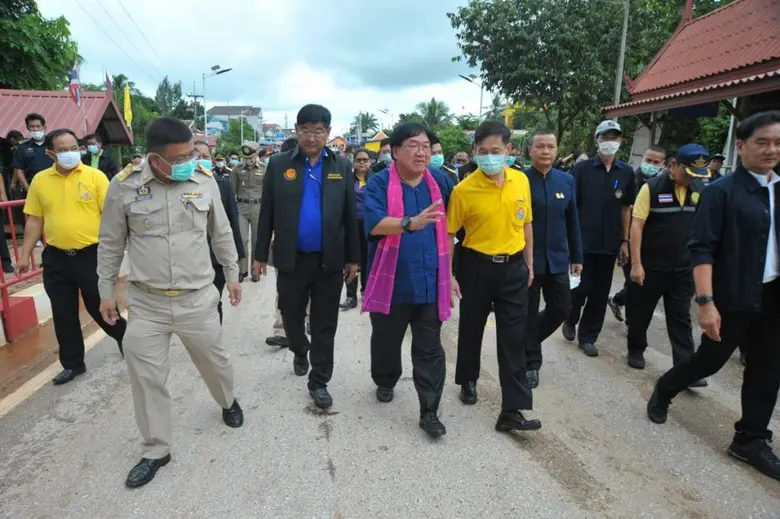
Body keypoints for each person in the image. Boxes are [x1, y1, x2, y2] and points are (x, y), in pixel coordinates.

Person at [97, 117, 243, 488]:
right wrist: (106, 292)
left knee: (215, 362)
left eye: (193, 153)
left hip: (197, 299)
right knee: (146, 379)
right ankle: (156, 448)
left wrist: (232, 275)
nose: (190, 161)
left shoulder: (204, 182)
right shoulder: (124, 187)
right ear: (155, 160)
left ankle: (227, 401)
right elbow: (111, 243)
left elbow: (222, 233)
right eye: (181, 157)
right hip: (147, 303)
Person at [647, 111, 780, 482]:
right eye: (763, 142)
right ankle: (666, 386)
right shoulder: (721, 192)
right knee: (709, 362)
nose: (771, 150)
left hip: (772, 299)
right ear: (741, 146)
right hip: (732, 296)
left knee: (768, 370)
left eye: (778, 143)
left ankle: (750, 439)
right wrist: (706, 303)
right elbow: (701, 248)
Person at [253, 104, 360, 410]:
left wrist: (353, 258)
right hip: (291, 259)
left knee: (326, 323)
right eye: (306, 130)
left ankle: (320, 381)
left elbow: (349, 216)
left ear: (328, 132)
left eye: (318, 130)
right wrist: (260, 255)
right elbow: (267, 213)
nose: (312, 136)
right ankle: (300, 350)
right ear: (297, 131)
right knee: (291, 314)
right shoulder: (278, 164)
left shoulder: (341, 165)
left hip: (329, 259)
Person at [447, 120, 540, 433]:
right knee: (472, 330)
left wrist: (529, 262)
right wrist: (449, 275)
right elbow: (449, 235)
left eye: (496, 151)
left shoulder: (520, 181)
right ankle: (468, 380)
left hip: (514, 268)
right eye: (483, 151)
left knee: (514, 339)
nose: (489, 157)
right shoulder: (463, 190)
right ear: (474, 151)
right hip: (476, 267)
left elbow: (526, 222)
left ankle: (512, 410)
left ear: (509, 150)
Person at [14, 128, 126, 385]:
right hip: (56, 258)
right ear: (51, 153)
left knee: (100, 307)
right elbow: (34, 220)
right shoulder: (41, 181)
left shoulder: (95, 177)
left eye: (74, 148)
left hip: (91, 255)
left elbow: (112, 218)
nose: (70, 153)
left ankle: (123, 336)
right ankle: (73, 364)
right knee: (63, 313)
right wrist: (24, 255)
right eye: (63, 150)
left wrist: (116, 250)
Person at [363, 122, 453, 437]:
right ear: (396, 151)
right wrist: (408, 223)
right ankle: (385, 379)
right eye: (413, 145)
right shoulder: (377, 184)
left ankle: (429, 411)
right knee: (386, 341)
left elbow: (450, 231)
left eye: (426, 146)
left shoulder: (441, 182)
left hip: (431, 281)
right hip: (393, 283)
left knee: (430, 349)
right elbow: (373, 224)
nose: (421, 152)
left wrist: (451, 274)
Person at [627, 144, 710, 390]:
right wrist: (636, 264)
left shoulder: (699, 190)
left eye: (697, 175)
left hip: (683, 268)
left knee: (681, 318)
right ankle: (636, 349)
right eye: (688, 173)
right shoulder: (651, 188)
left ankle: (685, 368)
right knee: (640, 312)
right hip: (652, 266)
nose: (691, 179)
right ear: (673, 165)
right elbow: (636, 226)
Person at [563, 120, 635, 357]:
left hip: (610, 244)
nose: (609, 142)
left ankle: (588, 337)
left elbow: (626, 208)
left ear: (620, 141)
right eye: (605, 137)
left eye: (614, 137)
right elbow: (572, 205)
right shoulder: (582, 170)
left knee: (599, 292)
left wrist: (624, 241)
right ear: (597, 140)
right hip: (583, 242)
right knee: (580, 288)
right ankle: (570, 316)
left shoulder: (626, 173)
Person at [524, 129, 583, 389]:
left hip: (558, 258)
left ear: (557, 150)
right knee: (527, 312)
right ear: (530, 150)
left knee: (561, 308)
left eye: (550, 146)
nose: (546, 151)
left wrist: (577, 255)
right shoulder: (519, 180)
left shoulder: (567, 181)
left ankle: (524, 342)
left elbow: (573, 222)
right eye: (540, 146)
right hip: (527, 260)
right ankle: (531, 363)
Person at [608, 145, 667, 322]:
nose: (651, 164)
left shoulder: (664, 184)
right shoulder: (630, 178)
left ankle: (618, 300)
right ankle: (632, 323)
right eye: (649, 160)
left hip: (652, 242)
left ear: (663, 164)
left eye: (656, 162)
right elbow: (621, 208)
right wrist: (623, 241)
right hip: (630, 239)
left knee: (643, 282)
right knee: (635, 282)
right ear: (643, 158)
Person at [194, 141, 245, 325]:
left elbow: (232, 221)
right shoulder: (173, 187)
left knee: (213, 301)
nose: (199, 161)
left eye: (204, 157)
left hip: (215, 256)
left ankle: (212, 339)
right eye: (194, 156)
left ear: (212, 160)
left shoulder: (222, 184)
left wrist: (238, 255)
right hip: (189, 260)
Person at [266, 137, 300, 348]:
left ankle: (305, 322)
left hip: (312, 246)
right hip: (284, 244)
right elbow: (269, 211)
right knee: (284, 288)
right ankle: (282, 329)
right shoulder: (276, 176)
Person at [340, 148, 371, 311]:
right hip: (351, 225)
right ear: (353, 162)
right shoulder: (347, 180)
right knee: (351, 259)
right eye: (358, 160)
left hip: (369, 226)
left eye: (365, 160)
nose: (362, 163)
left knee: (367, 260)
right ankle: (350, 296)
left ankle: (366, 292)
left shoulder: (375, 180)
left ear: (370, 162)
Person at [231, 142, 266, 282]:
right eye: (246, 158)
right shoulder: (237, 170)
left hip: (258, 207)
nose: (248, 160)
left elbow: (269, 191)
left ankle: (255, 271)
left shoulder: (265, 169)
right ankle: (242, 270)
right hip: (242, 207)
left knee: (257, 240)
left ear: (256, 154)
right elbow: (233, 190)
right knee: (242, 239)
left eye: (251, 157)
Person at [11, 113, 53, 192]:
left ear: (44, 127)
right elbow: (19, 170)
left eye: (38, 126)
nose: (35, 129)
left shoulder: (53, 144)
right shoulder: (22, 148)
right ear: (27, 128)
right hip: (33, 187)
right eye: (32, 126)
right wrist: (28, 189)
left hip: (55, 185)